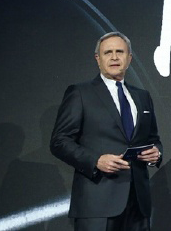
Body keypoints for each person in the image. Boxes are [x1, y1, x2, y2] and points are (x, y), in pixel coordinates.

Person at [51, 32, 162, 231]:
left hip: (138, 204)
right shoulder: (81, 93)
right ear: (98, 58)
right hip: (97, 203)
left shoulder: (142, 96)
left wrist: (156, 153)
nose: (114, 57)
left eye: (120, 52)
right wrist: (96, 161)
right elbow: (60, 141)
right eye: (108, 52)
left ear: (129, 58)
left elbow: (153, 139)